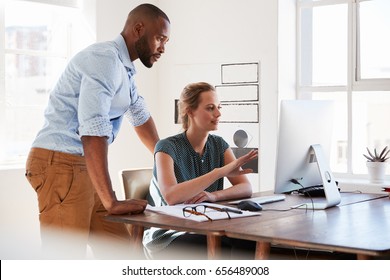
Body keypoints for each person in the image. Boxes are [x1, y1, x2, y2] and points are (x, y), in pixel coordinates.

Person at [24, 3, 170, 259]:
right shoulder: (105, 59)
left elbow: (138, 113)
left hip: (83, 166)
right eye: (160, 38)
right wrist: (111, 200)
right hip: (60, 163)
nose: (163, 48)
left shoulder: (124, 69)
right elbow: (92, 130)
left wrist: (167, 160)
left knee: (124, 255)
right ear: (138, 29)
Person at [143, 82, 258, 259]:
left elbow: (246, 187)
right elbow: (171, 196)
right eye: (210, 108)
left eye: (218, 108)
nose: (218, 114)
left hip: (207, 227)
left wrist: (214, 196)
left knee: (249, 241)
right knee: (228, 248)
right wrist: (218, 172)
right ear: (190, 111)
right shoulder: (166, 147)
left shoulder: (219, 144)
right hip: (170, 235)